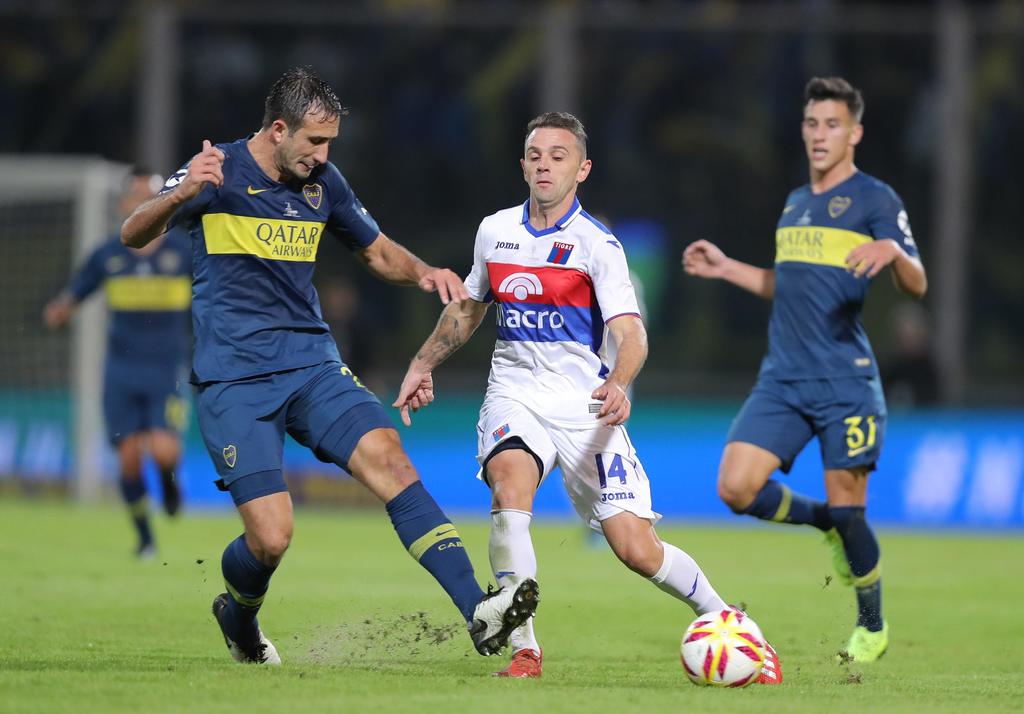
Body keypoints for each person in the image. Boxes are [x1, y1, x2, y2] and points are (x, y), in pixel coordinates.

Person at [120, 66, 538, 665]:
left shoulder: (323, 183)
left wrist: (424, 271)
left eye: (330, 143)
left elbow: (376, 251)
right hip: (234, 379)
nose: (322, 155)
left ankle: (478, 610)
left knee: (390, 460)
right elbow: (132, 233)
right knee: (271, 537)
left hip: (311, 364)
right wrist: (181, 194)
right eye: (314, 141)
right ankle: (238, 616)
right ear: (279, 129)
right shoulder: (216, 170)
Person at [395, 112, 781, 682]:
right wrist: (422, 363)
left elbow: (631, 333)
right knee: (509, 486)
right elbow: (470, 307)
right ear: (522, 165)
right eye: (535, 155)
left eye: (559, 156)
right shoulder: (494, 231)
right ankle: (525, 649)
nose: (545, 166)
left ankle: (732, 624)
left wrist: (618, 382)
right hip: (514, 394)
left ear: (582, 169)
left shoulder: (598, 245)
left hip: (584, 407)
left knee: (636, 548)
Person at [683, 77, 928, 663]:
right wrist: (727, 268)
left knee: (852, 509)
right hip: (783, 380)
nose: (820, 135)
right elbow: (788, 285)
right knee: (736, 488)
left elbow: (918, 284)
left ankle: (872, 625)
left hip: (845, 382)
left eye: (832, 125)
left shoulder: (875, 199)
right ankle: (825, 524)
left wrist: (894, 252)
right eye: (813, 124)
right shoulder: (795, 202)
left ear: (855, 133)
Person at [44, 169, 191, 558]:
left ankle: (169, 483)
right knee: (127, 459)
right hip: (121, 370)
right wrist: (61, 308)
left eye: (153, 195)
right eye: (137, 195)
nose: (144, 201)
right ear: (124, 203)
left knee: (163, 451)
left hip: (166, 370)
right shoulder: (107, 254)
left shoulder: (184, 252)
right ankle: (145, 538)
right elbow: (78, 289)